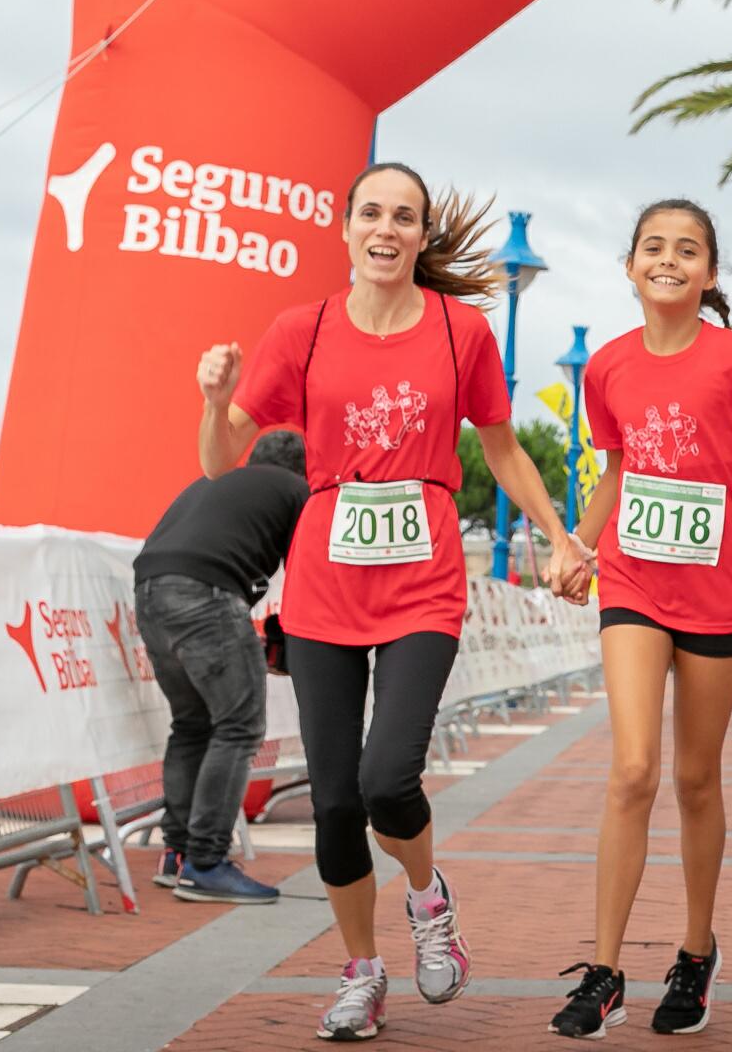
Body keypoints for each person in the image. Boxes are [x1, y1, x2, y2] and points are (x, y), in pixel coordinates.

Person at [195, 162, 587, 1043]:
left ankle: (428, 896)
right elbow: (221, 464)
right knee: (335, 802)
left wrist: (558, 536)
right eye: (371, 213)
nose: (386, 228)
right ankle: (363, 972)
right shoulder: (303, 330)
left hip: (423, 584)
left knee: (386, 781)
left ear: (419, 235)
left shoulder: (462, 331)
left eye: (403, 217)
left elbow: (506, 448)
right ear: (345, 229)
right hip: (326, 585)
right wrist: (217, 401)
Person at [548, 199, 732, 1039]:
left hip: (719, 593)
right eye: (653, 247)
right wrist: (581, 544)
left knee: (695, 779)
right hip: (634, 588)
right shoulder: (607, 368)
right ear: (630, 266)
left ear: (710, 274)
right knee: (633, 769)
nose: (668, 260)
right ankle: (603, 973)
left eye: (688, 250)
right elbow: (617, 475)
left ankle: (696, 951)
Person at [131, 429, 310, 904]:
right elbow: (307, 572)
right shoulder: (297, 491)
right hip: (207, 593)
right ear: (303, 470)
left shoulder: (215, 478)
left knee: (191, 725)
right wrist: (293, 639)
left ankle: (177, 854)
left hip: (149, 592)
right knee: (238, 727)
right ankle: (207, 862)